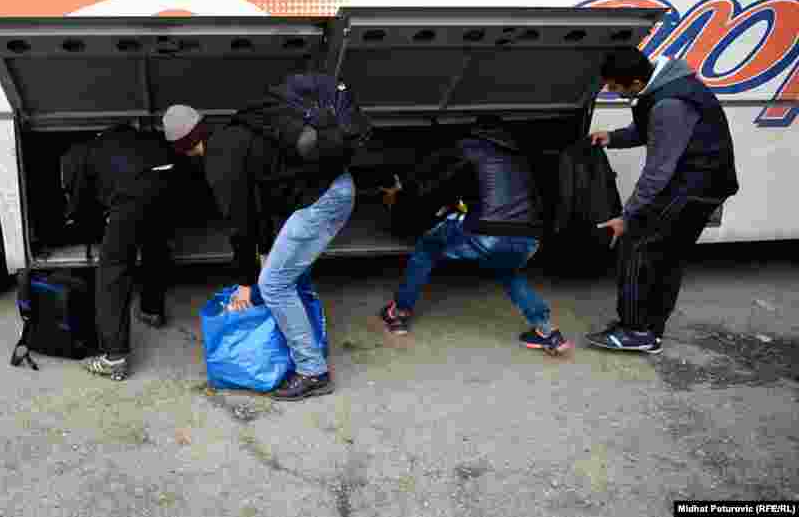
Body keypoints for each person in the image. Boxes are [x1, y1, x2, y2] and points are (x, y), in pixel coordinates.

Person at [162, 103, 355, 401]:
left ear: (182, 147)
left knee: (274, 285)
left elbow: (239, 225)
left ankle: (313, 371)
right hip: (334, 187)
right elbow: (258, 207)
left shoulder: (219, 162)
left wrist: (245, 282)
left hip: (323, 199)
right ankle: (308, 343)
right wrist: (263, 253)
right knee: (282, 275)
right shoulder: (235, 134)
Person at [586, 51, 739, 354]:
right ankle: (649, 330)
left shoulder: (670, 103)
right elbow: (649, 131)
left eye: (616, 88)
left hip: (693, 186)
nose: (613, 93)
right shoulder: (662, 87)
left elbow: (657, 172)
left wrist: (627, 215)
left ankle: (635, 329)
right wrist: (613, 138)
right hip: (703, 182)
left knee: (636, 244)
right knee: (668, 256)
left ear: (637, 81)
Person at [379, 116, 571, 354]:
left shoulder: (470, 148)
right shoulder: (520, 155)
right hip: (530, 236)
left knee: (426, 248)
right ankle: (548, 332)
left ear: (477, 132)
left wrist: (401, 197)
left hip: (488, 231)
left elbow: (437, 185)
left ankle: (398, 313)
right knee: (508, 271)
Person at [79, 123, 186, 381]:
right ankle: (152, 310)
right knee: (155, 244)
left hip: (130, 197)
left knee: (112, 271)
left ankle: (114, 357)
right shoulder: (142, 138)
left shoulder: (89, 150)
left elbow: (83, 200)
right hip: (166, 187)